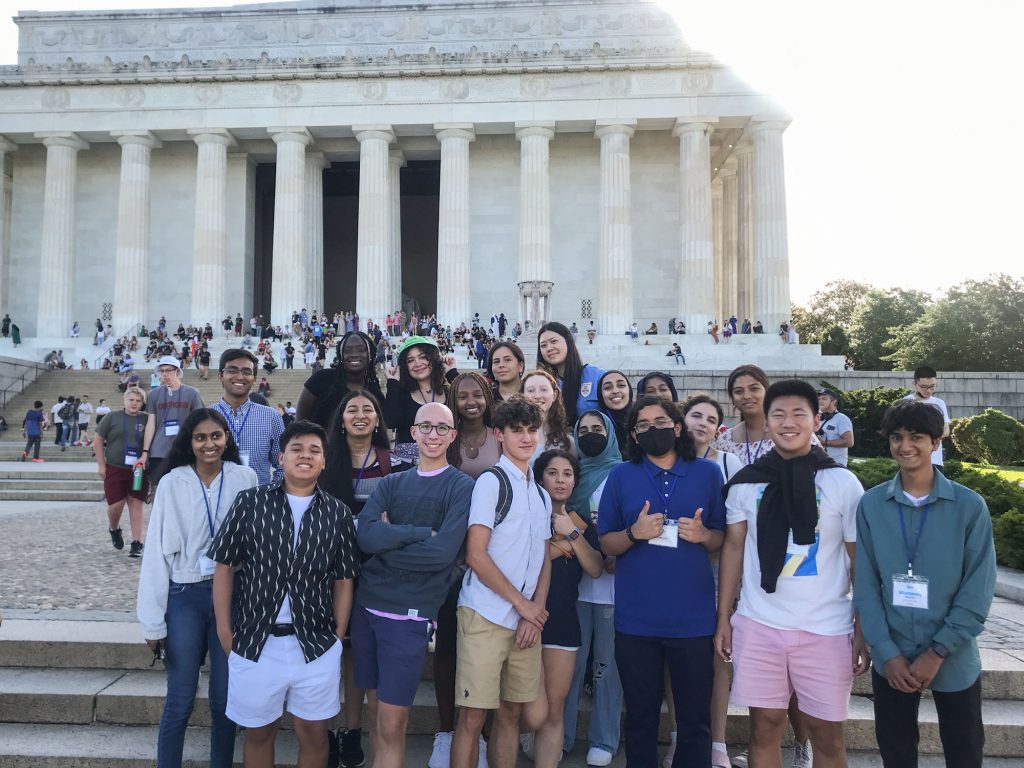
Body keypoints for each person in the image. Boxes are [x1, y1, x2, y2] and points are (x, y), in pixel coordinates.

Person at [716, 380, 868, 768]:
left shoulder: (842, 482)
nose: (788, 422)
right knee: (764, 727)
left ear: (816, 420)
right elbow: (733, 548)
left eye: (799, 413)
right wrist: (724, 619)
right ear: (765, 423)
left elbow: (858, 559)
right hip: (760, 622)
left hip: (826, 628)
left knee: (827, 736)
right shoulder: (747, 484)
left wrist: (863, 625)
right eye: (778, 414)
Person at [209, 420, 361, 768]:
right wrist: (225, 632)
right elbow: (224, 567)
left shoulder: (337, 514)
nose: (305, 456)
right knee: (259, 734)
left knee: (314, 734)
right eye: (297, 449)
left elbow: (343, 579)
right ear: (281, 457)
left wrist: (337, 636)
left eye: (314, 451)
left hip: (315, 644)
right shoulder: (250, 502)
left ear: (324, 461)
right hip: (254, 643)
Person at [854, 400, 996, 768]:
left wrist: (938, 651)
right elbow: (866, 586)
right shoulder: (871, 505)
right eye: (897, 437)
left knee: (964, 751)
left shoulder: (969, 506)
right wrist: (887, 651)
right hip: (893, 654)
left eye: (917, 437)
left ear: (936, 441)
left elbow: (978, 589)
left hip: (954, 652)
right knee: (897, 751)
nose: (905, 446)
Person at [597, 395, 726, 768]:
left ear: (678, 426)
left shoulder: (707, 473)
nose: (653, 430)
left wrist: (705, 535)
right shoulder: (621, 476)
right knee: (640, 718)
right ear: (634, 436)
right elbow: (607, 542)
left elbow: (721, 538)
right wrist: (634, 533)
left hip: (693, 620)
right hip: (637, 620)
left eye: (660, 421)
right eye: (643, 425)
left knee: (694, 722)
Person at [354, 403, 474, 768]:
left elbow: (441, 555)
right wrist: (418, 534)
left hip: (408, 617)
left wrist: (388, 543)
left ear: (452, 435)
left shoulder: (461, 486)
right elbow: (366, 538)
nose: (434, 434)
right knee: (376, 718)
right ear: (413, 432)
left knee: (392, 724)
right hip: (366, 609)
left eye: (442, 428)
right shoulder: (392, 482)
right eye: (427, 426)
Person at [136, 409, 258, 768]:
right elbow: (156, 552)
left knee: (224, 699)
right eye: (201, 437)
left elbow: (257, 545)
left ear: (227, 439)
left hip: (232, 598)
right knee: (180, 697)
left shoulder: (245, 478)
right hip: (184, 595)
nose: (210, 444)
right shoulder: (173, 481)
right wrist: (153, 621)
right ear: (189, 442)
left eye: (216, 436)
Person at [451, 397, 553, 768]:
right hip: (485, 615)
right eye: (517, 430)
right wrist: (522, 605)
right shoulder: (491, 483)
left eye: (532, 430)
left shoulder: (540, 493)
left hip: (526, 621)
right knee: (473, 718)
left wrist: (532, 612)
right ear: (500, 435)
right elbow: (476, 555)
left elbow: (543, 561)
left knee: (511, 714)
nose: (526, 437)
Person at [320, 389, 406, 768]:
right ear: (340, 419)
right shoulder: (324, 458)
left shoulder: (395, 460)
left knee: (357, 652)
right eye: (351, 409)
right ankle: (322, 728)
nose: (359, 414)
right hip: (328, 568)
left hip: (377, 568)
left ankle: (352, 730)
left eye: (367, 409)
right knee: (326, 648)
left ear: (377, 419)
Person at [520, 449, 603, 768]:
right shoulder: (524, 516)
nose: (560, 480)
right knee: (527, 709)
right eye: (552, 473)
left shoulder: (580, 524)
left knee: (554, 712)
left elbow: (595, 568)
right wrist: (560, 548)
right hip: (524, 619)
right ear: (540, 478)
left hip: (563, 625)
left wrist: (571, 535)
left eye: (567, 474)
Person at [679, 394, 744, 766]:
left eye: (710, 419)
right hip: (678, 569)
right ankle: (677, 737)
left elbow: (736, 525)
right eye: (695, 415)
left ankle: (717, 742)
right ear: (681, 420)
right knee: (677, 656)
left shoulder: (727, 463)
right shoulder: (667, 459)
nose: (701, 423)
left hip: (718, 568)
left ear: (718, 428)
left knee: (718, 655)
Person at [562, 410, 623, 767]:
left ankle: (605, 737)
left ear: (610, 433)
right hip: (574, 586)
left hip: (613, 588)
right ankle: (562, 734)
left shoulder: (624, 473)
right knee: (569, 666)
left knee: (607, 668)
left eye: (597, 429)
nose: (590, 434)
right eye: (582, 430)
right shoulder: (571, 473)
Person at [94, 386, 152, 557]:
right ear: (124, 401)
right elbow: (98, 440)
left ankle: (137, 542)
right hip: (115, 466)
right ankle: (114, 528)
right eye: (131, 400)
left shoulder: (146, 419)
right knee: (115, 505)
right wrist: (101, 465)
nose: (134, 404)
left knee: (136, 503)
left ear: (142, 403)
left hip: (138, 469)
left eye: (138, 401)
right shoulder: (112, 417)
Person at [213, 349, 284, 485]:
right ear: (220, 376)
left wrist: (271, 494)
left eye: (246, 372)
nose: (240, 377)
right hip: (215, 502)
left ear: (254, 379)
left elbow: (283, 464)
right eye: (232, 371)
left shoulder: (271, 417)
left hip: (258, 500)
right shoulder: (207, 416)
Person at [384, 336, 458, 462]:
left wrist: (451, 373)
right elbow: (391, 421)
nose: (417, 363)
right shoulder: (401, 393)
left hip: (447, 463)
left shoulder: (448, 391)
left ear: (434, 360)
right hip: (409, 467)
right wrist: (392, 383)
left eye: (423, 357)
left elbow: (468, 404)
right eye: (410, 360)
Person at [139, 356, 205, 490]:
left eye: (168, 370)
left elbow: (200, 421)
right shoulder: (153, 394)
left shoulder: (192, 393)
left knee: (185, 491)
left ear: (177, 371)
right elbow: (151, 423)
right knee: (158, 492)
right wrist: (145, 451)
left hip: (185, 450)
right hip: (159, 451)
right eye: (162, 371)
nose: (165, 374)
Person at [298, 332, 385, 430]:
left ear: (370, 355)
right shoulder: (321, 379)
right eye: (347, 351)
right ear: (341, 355)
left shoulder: (374, 390)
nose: (354, 354)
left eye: (361, 350)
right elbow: (300, 422)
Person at [537, 321, 605, 427]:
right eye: (543, 345)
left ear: (568, 342)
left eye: (554, 341)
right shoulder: (540, 384)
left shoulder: (596, 376)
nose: (549, 348)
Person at [448, 372, 502, 479]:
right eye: (463, 397)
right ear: (454, 401)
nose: (471, 402)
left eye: (478, 395)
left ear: (486, 397)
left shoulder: (499, 437)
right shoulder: (446, 438)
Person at [522, 369, 574, 464]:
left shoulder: (568, 441)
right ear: (523, 396)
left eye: (543, 389)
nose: (537, 395)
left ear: (555, 395)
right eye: (530, 390)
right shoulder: (513, 436)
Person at [902, 365, 951, 466]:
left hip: (936, 460)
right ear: (914, 384)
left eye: (932, 386)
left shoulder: (939, 403)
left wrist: (930, 441)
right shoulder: (906, 402)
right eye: (924, 387)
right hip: (913, 459)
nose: (928, 390)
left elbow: (946, 431)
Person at [596, 370, 632, 461]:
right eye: (608, 387)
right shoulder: (597, 424)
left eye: (621, 385)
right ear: (600, 394)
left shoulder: (641, 418)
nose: (615, 391)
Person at [816, 388, 855, 466]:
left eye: (824, 399)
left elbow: (849, 442)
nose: (820, 401)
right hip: (818, 464)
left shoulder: (842, 419)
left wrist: (825, 442)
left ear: (833, 402)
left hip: (836, 465)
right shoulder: (817, 418)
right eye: (819, 399)